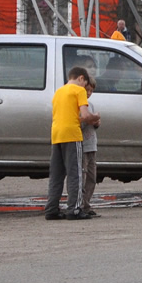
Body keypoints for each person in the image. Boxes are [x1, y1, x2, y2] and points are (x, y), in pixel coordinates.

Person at [44, 66, 99, 220]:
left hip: (56, 134)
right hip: (72, 135)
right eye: (85, 83)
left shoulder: (58, 92)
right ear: (81, 78)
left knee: (56, 174)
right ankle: (74, 209)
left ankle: (51, 209)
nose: (85, 88)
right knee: (75, 174)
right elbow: (85, 115)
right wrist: (95, 117)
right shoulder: (78, 90)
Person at [79, 79, 101, 218]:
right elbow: (78, 123)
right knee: (82, 176)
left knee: (92, 177)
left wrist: (96, 122)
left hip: (91, 145)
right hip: (81, 145)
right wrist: (88, 119)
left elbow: (94, 126)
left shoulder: (90, 105)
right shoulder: (79, 106)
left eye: (91, 91)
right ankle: (79, 205)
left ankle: (86, 204)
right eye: (87, 90)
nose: (89, 93)